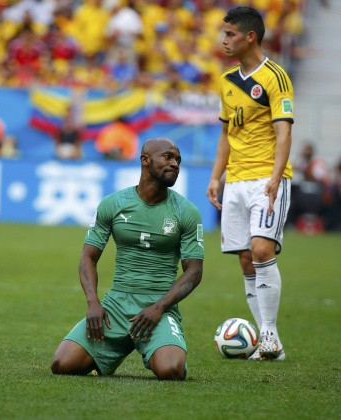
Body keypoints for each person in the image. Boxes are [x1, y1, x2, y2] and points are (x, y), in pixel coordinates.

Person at [51, 138, 204, 380]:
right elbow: (88, 257)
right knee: (62, 364)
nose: (175, 164)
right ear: (145, 160)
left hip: (158, 308)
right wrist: (93, 303)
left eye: (178, 160)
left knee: (171, 370)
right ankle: (112, 353)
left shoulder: (186, 211)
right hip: (116, 305)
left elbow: (194, 271)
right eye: (168, 157)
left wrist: (160, 307)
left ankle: (155, 344)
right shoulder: (113, 204)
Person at [206, 6, 294, 361]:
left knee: (261, 250)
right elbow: (226, 134)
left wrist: (276, 176)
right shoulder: (226, 80)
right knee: (245, 259)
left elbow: (284, 132)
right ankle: (269, 344)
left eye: (230, 34)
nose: (224, 40)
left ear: (250, 36)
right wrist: (216, 176)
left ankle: (268, 334)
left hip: (266, 179)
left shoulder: (275, 77)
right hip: (236, 181)